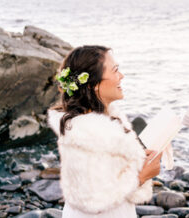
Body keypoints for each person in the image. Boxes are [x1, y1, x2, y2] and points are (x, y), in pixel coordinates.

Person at [48, 45, 162, 218]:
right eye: (115, 70)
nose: (121, 76)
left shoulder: (106, 122)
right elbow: (90, 199)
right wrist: (141, 177)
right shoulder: (82, 133)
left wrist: (139, 161)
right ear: (94, 84)